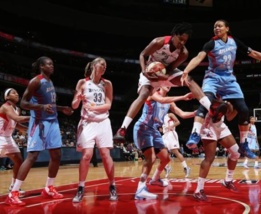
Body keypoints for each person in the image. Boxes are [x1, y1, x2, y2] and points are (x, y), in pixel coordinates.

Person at [181, 19, 261, 159]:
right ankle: (195, 134)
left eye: (219, 26)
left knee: (244, 109)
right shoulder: (211, 43)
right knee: (205, 101)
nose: (216, 28)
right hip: (213, 78)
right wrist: (186, 70)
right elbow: (199, 56)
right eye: (214, 26)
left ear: (227, 28)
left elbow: (254, 54)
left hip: (229, 79)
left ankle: (244, 144)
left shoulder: (235, 42)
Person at [113, 22, 211, 141]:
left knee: (188, 79)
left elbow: (170, 69)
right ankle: (122, 129)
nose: (182, 43)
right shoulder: (158, 42)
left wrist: (164, 76)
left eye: (185, 41)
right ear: (174, 35)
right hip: (149, 71)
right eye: (180, 39)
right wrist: (144, 71)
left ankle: (211, 109)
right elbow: (143, 55)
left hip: (165, 72)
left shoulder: (183, 53)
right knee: (144, 94)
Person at [5, 56, 74, 206]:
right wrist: (41, 107)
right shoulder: (36, 81)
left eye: (52, 64)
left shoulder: (50, 81)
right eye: (48, 64)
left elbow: (49, 104)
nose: (52, 66)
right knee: (32, 156)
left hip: (53, 121)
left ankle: (49, 188)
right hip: (39, 122)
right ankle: (13, 192)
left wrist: (62, 109)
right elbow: (23, 103)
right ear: (41, 67)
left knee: (56, 155)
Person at [134, 86, 195, 200]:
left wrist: (196, 113)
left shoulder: (169, 102)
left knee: (166, 158)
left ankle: (155, 179)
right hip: (144, 127)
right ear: (160, 84)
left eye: (170, 83)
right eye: (166, 82)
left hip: (154, 131)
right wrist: (183, 97)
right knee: (150, 158)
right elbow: (161, 100)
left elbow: (181, 114)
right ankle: (140, 189)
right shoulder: (153, 93)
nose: (168, 84)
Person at [71, 57, 118, 202]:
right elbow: (73, 106)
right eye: (102, 64)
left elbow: (108, 104)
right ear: (94, 66)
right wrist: (78, 99)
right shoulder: (82, 82)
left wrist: (94, 107)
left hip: (103, 121)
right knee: (86, 155)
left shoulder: (107, 83)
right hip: (88, 122)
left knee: (105, 154)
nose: (104, 67)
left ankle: (112, 186)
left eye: (106, 65)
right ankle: (81, 188)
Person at [193, 99, 241, 202]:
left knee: (236, 152)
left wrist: (235, 106)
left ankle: (228, 180)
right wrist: (223, 101)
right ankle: (198, 190)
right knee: (209, 158)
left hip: (220, 125)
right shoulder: (211, 89)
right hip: (208, 125)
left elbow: (229, 116)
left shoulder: (228, 93)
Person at [0, 88, 30, 195]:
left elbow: (16, 124)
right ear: (7, 97)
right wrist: (34, 118)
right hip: (0, 137)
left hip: (8, 138)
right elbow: (17, 119)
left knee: (19, 161)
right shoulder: (5, 106)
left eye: (17, 92)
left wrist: (28, 129)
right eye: (13, 93)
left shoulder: (17, 109)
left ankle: (13, 186)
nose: (16, 94)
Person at [162, 112, 192, 178]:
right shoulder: (160, 118)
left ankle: (186, 168)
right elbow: (162, 129)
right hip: (165, 135)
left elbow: (178, 122)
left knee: (175, 152)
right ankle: (167, 168)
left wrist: (171, 126)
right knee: (162, 152)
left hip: (171, 134)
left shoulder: (169, 115)